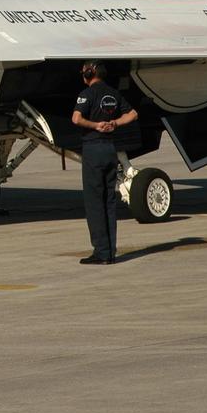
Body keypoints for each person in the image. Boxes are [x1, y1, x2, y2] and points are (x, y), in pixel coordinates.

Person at [71, 61, 137, 265]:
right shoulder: (113, 94)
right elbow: (133, 114)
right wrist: (114, 123)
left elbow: (76, 118)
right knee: (108, 202)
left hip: (93, 149)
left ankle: (100, 252)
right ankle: (110, 252)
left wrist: (95, 126)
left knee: (94, 203)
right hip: (110, 149)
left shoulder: (86, 94)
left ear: (89, 74)